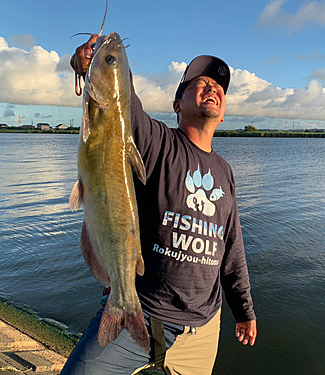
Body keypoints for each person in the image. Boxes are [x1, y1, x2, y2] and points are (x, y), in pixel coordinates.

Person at [60, 34, 257, 375]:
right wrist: (99, 63)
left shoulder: (225, 172)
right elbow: (124, 103)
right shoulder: (158, 144)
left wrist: (244, 309)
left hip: (203, 329)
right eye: (200, 84)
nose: (211, 88)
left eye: (218, 88)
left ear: (223, 114)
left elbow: (232, 247)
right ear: (177, 105)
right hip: (141, 308)